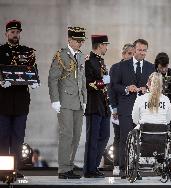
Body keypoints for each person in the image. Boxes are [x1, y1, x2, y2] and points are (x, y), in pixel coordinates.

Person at [0, 20, 40, 178]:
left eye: (17, 32)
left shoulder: (27, 52)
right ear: (6, 34)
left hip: (21, 102)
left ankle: (15, 169)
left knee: (18, 138)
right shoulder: (0, 51)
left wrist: (36, 81)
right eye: (12, 32)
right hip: (3, 101)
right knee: (3, 138)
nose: (15, 35)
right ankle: (3, 170)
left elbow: (32, 71)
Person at [112, 39, 155, 178]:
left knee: (139, 141)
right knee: (125, 139)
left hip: (143, 110)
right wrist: (126, 88)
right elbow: (114, 86)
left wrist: (147, 89)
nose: (142, 53)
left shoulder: (151, 67)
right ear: (134, 50)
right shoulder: (122, 66)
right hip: (126, 109)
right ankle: (124, 170)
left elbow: (154, 88)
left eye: (144, 50)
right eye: (140, 50)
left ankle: (135, 169)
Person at [48, 26, 87, 179]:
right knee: (66, 134)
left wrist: (84, 99)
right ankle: (63, 169)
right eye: (78, 41)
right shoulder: (61, 55)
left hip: (78, 102)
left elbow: (82, 79)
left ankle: (69, 166)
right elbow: (53, 79)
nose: (80, 43)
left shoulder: (80, 56)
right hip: (64, 101)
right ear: (69, 39)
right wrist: (55, 100)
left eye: (81, 41)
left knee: (76, 135)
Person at [83, 35, 110, 178]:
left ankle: (94, 165)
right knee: (92, 138)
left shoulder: (101, 61)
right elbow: (87, 83)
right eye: (106, 45)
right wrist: (102, 82)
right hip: (93, 105)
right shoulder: (90, 61)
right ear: (100, 45)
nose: (107, 47)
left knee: (105, 136)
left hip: (103, 105)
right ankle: (89, 169)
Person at [109, 43, 135, 176]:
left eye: (133, 54)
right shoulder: (116, 67)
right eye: (129, 54)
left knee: (130, 137)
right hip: (118, 108)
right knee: (119, 137)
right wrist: (114, 108)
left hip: (132, 110)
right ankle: (117, 164)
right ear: (123, 54)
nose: (131, 56)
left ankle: (129, 164)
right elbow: (111, 89)